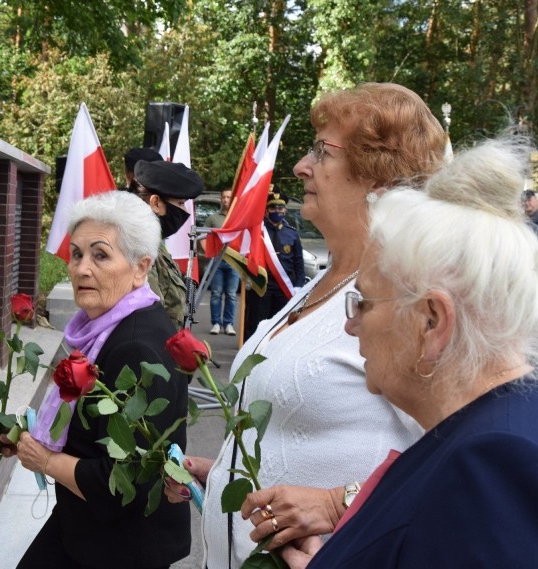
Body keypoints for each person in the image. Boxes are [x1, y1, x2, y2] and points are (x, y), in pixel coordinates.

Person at [270, 138, 538, 568]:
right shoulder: (533, 409)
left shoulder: (495, 468)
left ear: (432, 321)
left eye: (363, 301)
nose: (351, 323)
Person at [166, 83, 446, 568]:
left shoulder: (405, 299)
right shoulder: (316, 286)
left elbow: (458, 458)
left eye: (322, 150)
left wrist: (340, 501)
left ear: (378, 178)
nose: (301, 165)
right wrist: (229, 475)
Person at [0, 191, 192, 568]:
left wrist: (45, 460)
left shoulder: (135, 348)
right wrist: (22, 433)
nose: (82, 268)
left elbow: (123, 481)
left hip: (121, 546)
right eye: (77, 254)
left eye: (101, 255)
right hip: (87, 528)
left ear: (140, 268)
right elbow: (88, 424)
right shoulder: (101, 329)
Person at [128, 159, 205, 329]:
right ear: (155, 203)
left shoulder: (154, 242)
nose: (184, 211)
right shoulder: (139, 248)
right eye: (180, 203)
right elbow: (150, 322)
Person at [243, 186, 306, 340]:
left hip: (284, 288)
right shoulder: (258, 231)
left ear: (285, 210)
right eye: (273, 207)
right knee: (256, 324)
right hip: (261, 286)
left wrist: (298, 285)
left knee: (280, 326)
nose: (277, 210)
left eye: (280, 207)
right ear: (266, 209)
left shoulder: (291, 233)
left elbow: (299, 263)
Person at [204, 188, 240, 336]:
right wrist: (208, 253)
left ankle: (229, 324)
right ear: (221, 199)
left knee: (231, 294)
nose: (226, 200)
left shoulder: (238, 218)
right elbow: (204, 237)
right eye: (224, 197)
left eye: (229, 197)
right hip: (217, 260)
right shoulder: (213, 218)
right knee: (216, 293)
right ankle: (216, 323)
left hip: (234, 261)